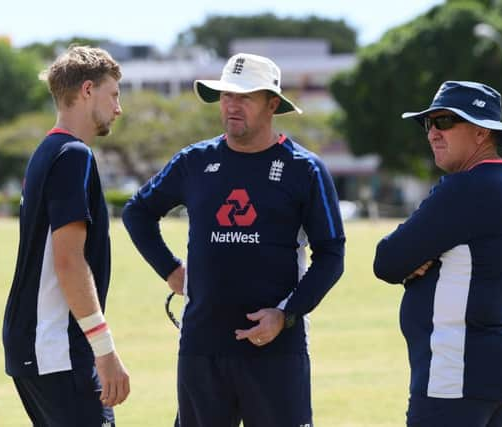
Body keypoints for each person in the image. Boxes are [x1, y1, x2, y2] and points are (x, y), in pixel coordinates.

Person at [123, 52, 345, 427]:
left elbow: (331, 255)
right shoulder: (194, 162)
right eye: (226, 95)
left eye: (244, 96)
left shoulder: (303, 169)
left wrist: (285, 315)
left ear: (272, 104)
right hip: (201, 347)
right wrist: (170, 270)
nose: (231, 105)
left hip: (276, 351)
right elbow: (137, 212)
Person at [373, 81, 502, 427]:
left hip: (455, 373)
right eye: (427, 123)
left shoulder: (468, 187)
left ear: (481, 133)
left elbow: (387, 261)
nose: (433, 133)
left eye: (444, 121)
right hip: (494, 369)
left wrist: (415, 262)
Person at [2, 45, 130, 426]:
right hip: (55, 346)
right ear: (87, 90)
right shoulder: (74, 154)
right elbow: (68, 260)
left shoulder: (47, 150)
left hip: (36, 345)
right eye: (114, 95)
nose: (118, 108)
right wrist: (104, 350)